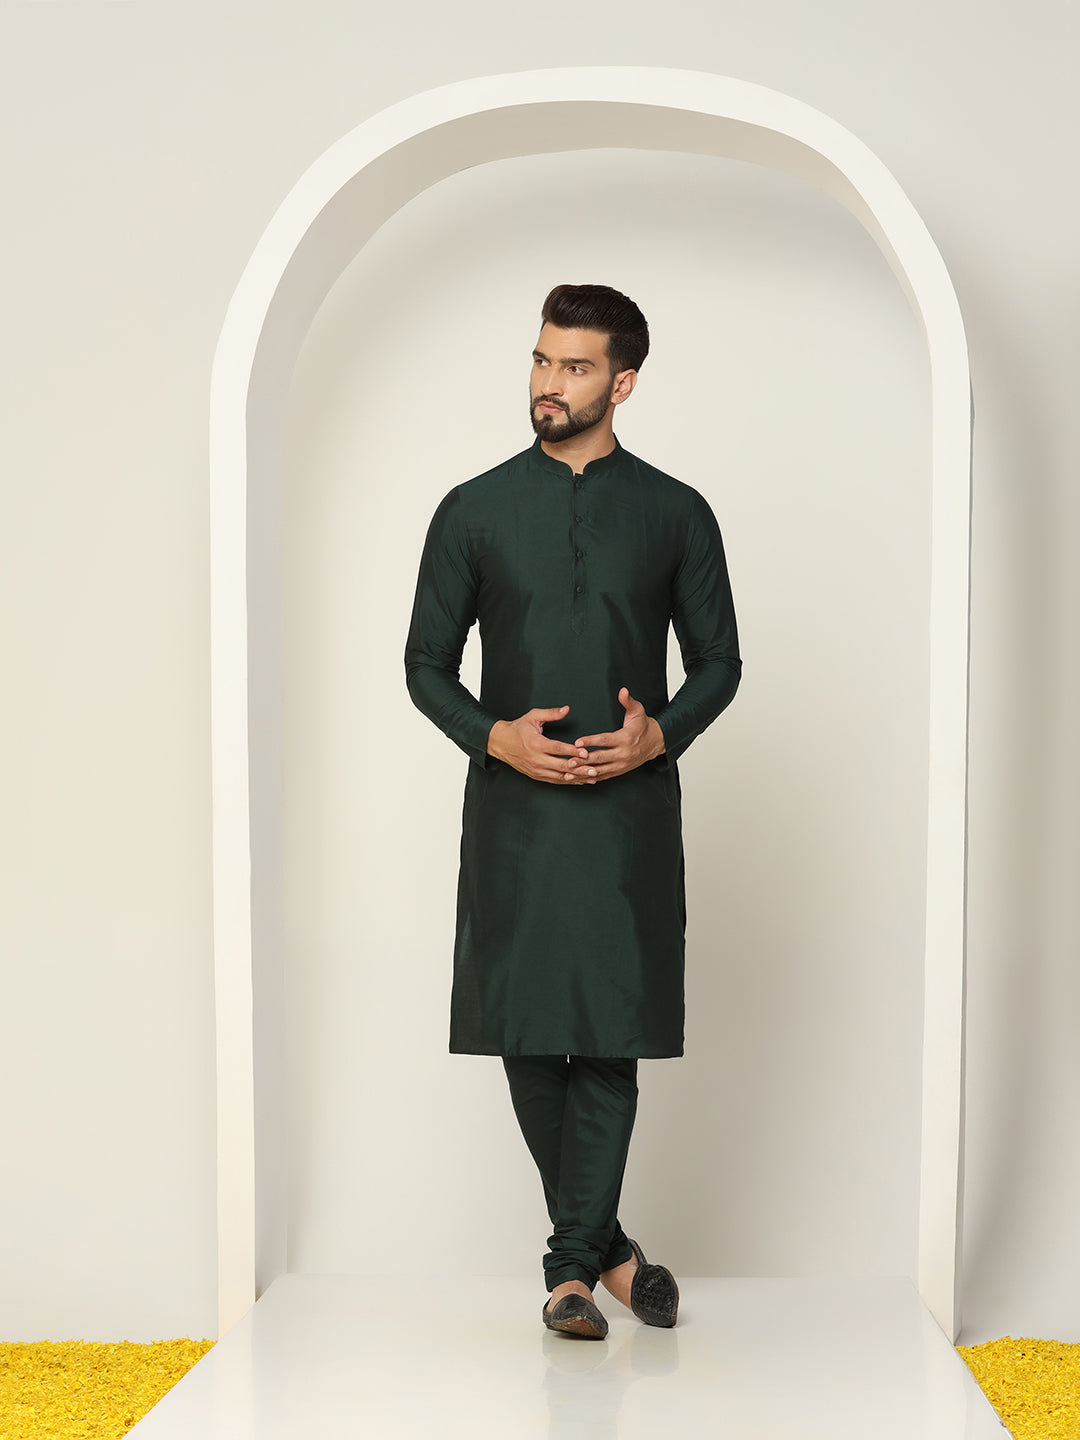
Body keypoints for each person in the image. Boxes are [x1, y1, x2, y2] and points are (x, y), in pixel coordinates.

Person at [405, 283, 740, 1339]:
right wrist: (492, 735)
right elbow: (424, 666)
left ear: (622, 383)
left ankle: (566, 1274)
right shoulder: (472, 509)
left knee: (607, 1036)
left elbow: (720, 663)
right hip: (515, 817)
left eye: (576, 366)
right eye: (542, 359)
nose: (549, 382)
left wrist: (660, 734)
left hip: (627, 817)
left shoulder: (677, 512)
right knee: (525, 1029)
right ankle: (612, 1255)